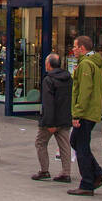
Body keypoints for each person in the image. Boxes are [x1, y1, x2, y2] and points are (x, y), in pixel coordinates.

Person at [67, 35, 102, 196]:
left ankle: (87, 182)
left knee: (81, 145)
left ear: (82, 48)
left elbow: (84, 91)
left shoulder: (86, 65)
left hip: (86, 112)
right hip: (92, 110)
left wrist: (77, 113)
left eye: (75, 47)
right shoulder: (96, 63)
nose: (73, 50)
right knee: (76, 141)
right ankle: (97, 172)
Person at [32, 52, 73, 183]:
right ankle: (66, 172)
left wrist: (49, 123)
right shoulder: (68, 78)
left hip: (51, 119)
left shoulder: (48, 80)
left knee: (40, 142)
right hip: (65, 117)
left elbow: (48, 103)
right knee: (65, 145)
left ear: (49, 65)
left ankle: (44, 170)